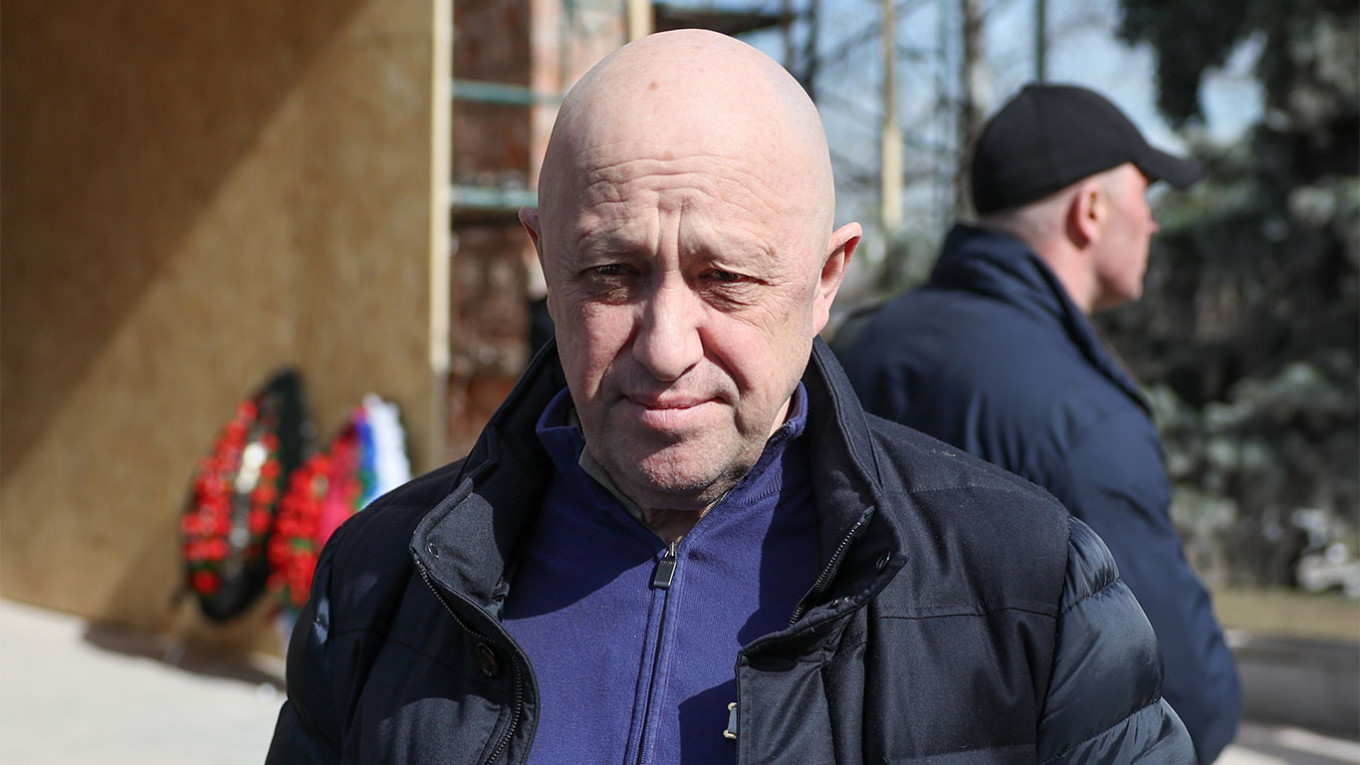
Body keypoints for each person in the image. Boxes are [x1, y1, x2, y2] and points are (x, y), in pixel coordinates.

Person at [267, 34, 1194, 763]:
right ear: (545, 261)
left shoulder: (1029, 590)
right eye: (611, 273)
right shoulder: (381, 584)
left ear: (826, 279)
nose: (666, 345)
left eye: (727, 279)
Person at [838, 83, 1239, 764]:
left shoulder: (862, 344)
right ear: (1091, 210)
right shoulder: (1080, 416)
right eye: (1145, 196)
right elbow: (1181, 693)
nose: (1153, 223)